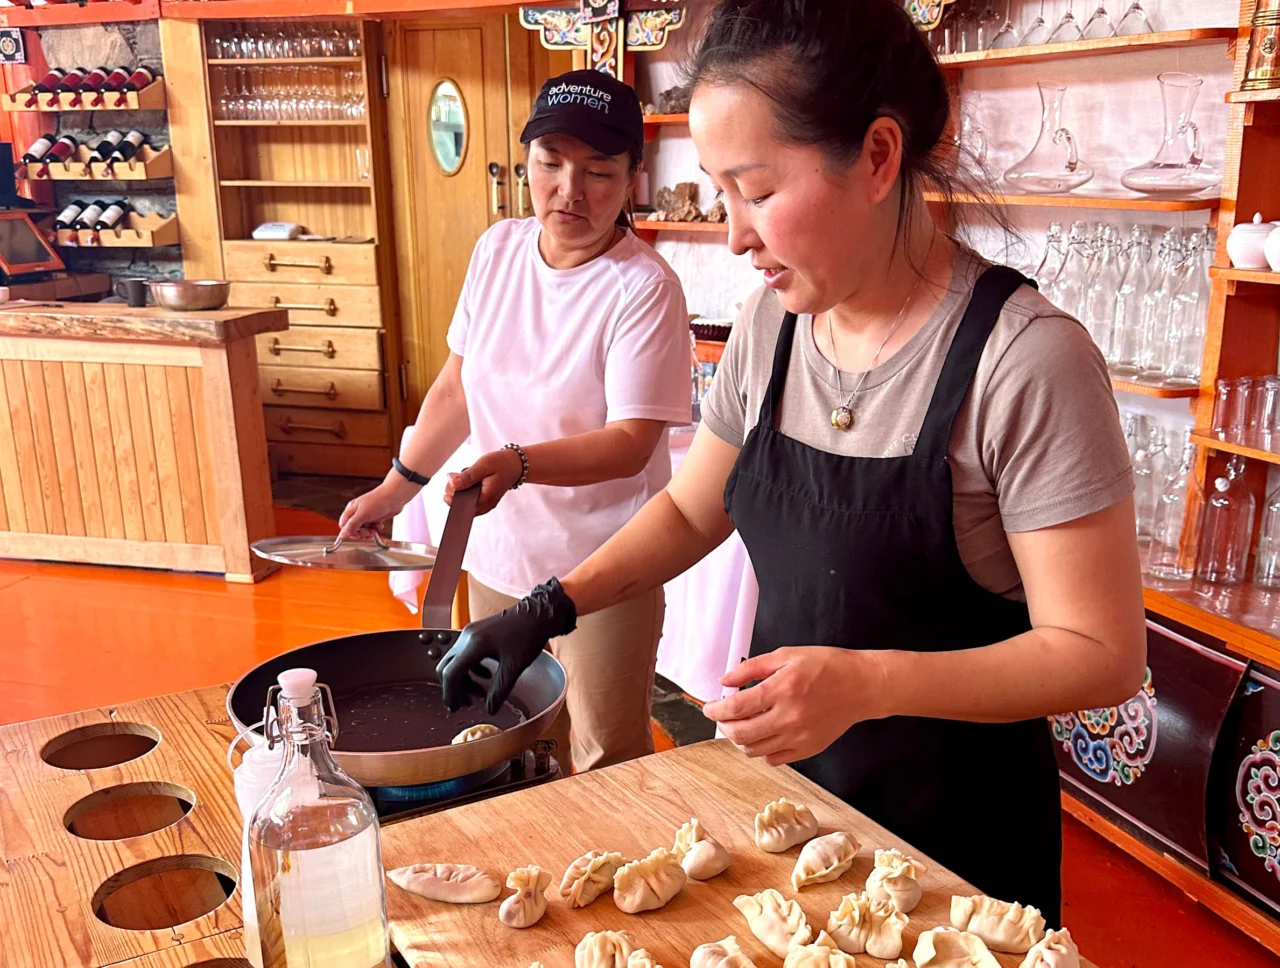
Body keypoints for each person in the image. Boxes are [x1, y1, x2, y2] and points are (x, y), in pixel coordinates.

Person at [437, 0, 1147, 923]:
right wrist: (549, 606)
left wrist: (868, 683)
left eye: (758, 192)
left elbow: (1100, 654)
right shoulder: (773, 326)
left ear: (879, 157)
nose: (734, 235)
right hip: (786, 820)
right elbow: (696, 510)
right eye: (720, 194)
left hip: (957, 860)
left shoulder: (1024, 360)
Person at [340, 69, 692, 774]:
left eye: (598, 171)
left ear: (632, 180)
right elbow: (455, 388)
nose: (570, 190)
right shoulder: (497, 251)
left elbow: (631, 446)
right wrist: (397, 487)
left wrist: (518, 461)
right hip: (497, 552)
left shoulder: (644, 288)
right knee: (511, 739)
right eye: (551, 163)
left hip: (602, 567)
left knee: (603, 755)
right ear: (526, 161)